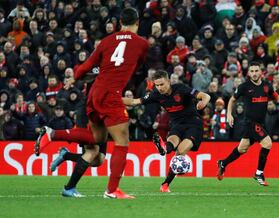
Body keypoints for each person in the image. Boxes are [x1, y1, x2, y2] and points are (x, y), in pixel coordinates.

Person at [35, 7, 149, 199]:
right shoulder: (142, 44)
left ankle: (53, 134)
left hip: (95, 93)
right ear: (137, 22)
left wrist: (73, 78)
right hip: (111, 94)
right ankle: (112, 190)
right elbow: (137, 66)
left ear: (119, 23)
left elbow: (87, 66)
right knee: (122, 142)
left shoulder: (106, 41)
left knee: (96, 139)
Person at [122, 70, 210, 192]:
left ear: (168, 81)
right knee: (171, 142)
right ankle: (163, 151)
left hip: (193, 124)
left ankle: (166, 183)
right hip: (176, 125)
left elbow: (206, 96)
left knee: (180, 151)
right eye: (156, 85)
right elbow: (134, 101)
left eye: (162, 84)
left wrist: (203, 102)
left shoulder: (181, 88)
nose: (159, 88)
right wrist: (113, 99)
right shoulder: (155, 94)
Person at [217, 62, 279, 186]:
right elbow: (232, 99)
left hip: (259, 123)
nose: (254, 73)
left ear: (261, 72)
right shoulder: (244, 86)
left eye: (256, 71)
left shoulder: (267, 86)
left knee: (242, 149)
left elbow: (277, 98)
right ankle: (259, 173)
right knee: (268, 143)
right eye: (252, 71)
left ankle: (223, 163)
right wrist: (229, 114)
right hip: (250, 123)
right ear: (249, 73)